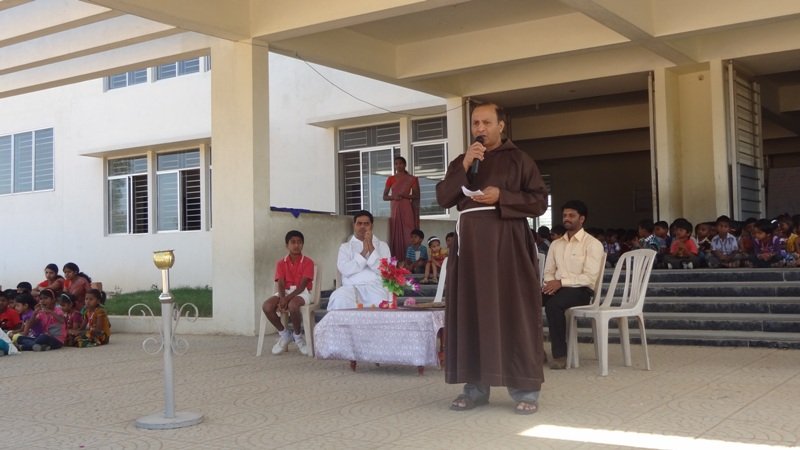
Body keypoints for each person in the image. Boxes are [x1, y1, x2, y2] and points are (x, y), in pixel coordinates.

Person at [436, 102, 548, 415]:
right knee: (471, 311)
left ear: (501, 125)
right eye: (475, 123)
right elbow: (444, 197)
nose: (480, 129)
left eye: (486, 122)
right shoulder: (463, 160)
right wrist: (464, 164)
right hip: (470, 248)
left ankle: (525, 389)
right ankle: (474, 389)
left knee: (513, 310)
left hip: (507, 245)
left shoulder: (519, 159)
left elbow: (539, 201)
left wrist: (503, 197)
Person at [542, 200, 604, 370]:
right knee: (526, 301)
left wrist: (561, 282)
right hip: (557, 287)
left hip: (581, 291)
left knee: (553, 305)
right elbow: (548, 271)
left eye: (571, 215)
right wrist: (551, 283)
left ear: (581, 219)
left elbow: (589, 278)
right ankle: (536, 350)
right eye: (564, 215)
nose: (566, 218)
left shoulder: (592, 244)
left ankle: (560, 355)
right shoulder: (556, 244)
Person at [261, 230, 315, 355]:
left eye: (299, 242)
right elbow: (280, 283)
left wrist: (286, 299)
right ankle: (285, 334)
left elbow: (302, 286)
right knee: (267, 306)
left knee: (293, 305)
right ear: (287, 245)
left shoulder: (308, 262)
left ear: (303, 244)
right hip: (285, 292)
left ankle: (298, 336)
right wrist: (282, 298)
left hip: (302, 292)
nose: (296, 245)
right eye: (293, 242)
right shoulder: (281, 263)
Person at [327, 210, 392, 310]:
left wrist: (371, 248)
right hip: (350, 288)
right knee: (339, 299)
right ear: (354, 225)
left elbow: (385, 271)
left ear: (372, 226)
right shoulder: (345, 247)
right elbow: (344, 269)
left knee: (380, 302)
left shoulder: (383, 246)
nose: (362, 226)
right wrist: (364, 252)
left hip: (375, 287)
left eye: (366, 224)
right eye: (359, 223)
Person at [383, 156, 420, 259]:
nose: (398, 165)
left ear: (405, 165)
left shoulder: (412, 179)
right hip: (395, 207)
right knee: (396, 232)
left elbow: (416, 195)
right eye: (396, 164)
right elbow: (385, 196)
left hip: (407, 207)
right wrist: (394, 197)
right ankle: (398, 259)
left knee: (409, 231)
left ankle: (411, 259)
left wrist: (405, 196)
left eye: (400, 163)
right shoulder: (390, 179)